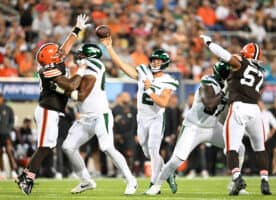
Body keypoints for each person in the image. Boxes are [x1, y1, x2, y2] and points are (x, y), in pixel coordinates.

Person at [15, 14, 90, 195]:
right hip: (48, 110)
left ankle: (25, 176)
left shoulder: (53, 63)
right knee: (45, 147)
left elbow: (65, 48)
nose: (60, 53)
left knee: (48, 146)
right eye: (56, 54)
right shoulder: (49, 70)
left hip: (53, 110)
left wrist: (77, 29)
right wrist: (80, 70)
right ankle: (26, 178)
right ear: (50, 59)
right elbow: (71, 85)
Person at [145, 62, 245, 195]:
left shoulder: (228, 86)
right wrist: (225, 91)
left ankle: (235, 183)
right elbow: (209, 104)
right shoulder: (208, 82)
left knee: (239, 148)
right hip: (194, 127)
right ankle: (156, 185)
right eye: (230, 74)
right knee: (176, 160)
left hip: (212, 127)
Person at [100, 37, 178, 193]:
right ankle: (167, 173)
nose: (155, 63)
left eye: (158, 60)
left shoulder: (168, 80)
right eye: (154, 60)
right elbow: (122, 65)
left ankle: (155, 185)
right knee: (146, 151)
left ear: (165, 62)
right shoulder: (143, 71)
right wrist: (109, 48)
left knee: (153, 150)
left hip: (157, 118)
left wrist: (149, 89)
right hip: (142, 119)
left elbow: (163, 103)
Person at [58, 44, 137, 195]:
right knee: (68, 147)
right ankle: (86, 180)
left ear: (88, 56)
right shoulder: (83, 69)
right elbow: (73, 88)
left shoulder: (94, 64)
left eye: (81, 54)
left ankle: (130, 179)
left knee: (106, 146)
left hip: (101, 115)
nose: (78, 56)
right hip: (85, 118)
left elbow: (80, 95)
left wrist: (63, 89)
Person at [200, 34, 272, 195]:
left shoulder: (241, 63)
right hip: (255, 110)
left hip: (239, 108)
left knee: (231, 148)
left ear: (245, 54)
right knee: (260, 148)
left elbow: (223, 55)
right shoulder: (260, 72)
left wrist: (209, 42)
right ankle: (265, 181)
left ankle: (237, 177)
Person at [0, 93, 17, 179]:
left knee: (9, 152)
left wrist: (8, 129)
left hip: (6, 134)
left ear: (2, 98)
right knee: (0, 153)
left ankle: (14, 172)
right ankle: (2, 172)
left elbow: (12, 121)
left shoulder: (8, 109)